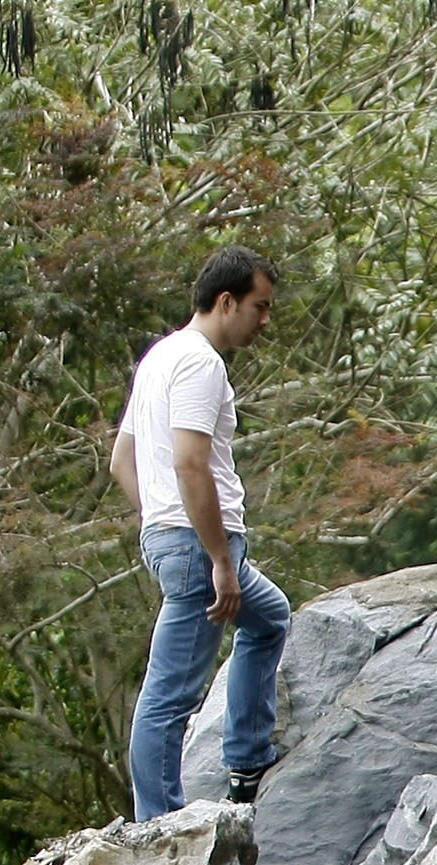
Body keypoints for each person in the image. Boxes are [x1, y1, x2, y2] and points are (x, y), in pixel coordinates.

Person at [112, 245, 289, 818]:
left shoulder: (159, 357)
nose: (265, 320)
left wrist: (157, 519)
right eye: (259, 307)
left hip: (176, 539)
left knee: (270, 616)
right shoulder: (200, 363)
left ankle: (247, 757)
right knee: (169, 698)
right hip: (199, 549)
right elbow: (190, 462)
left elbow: (122, 460)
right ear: (226, 300)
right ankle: (159, 828)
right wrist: (214, 556)